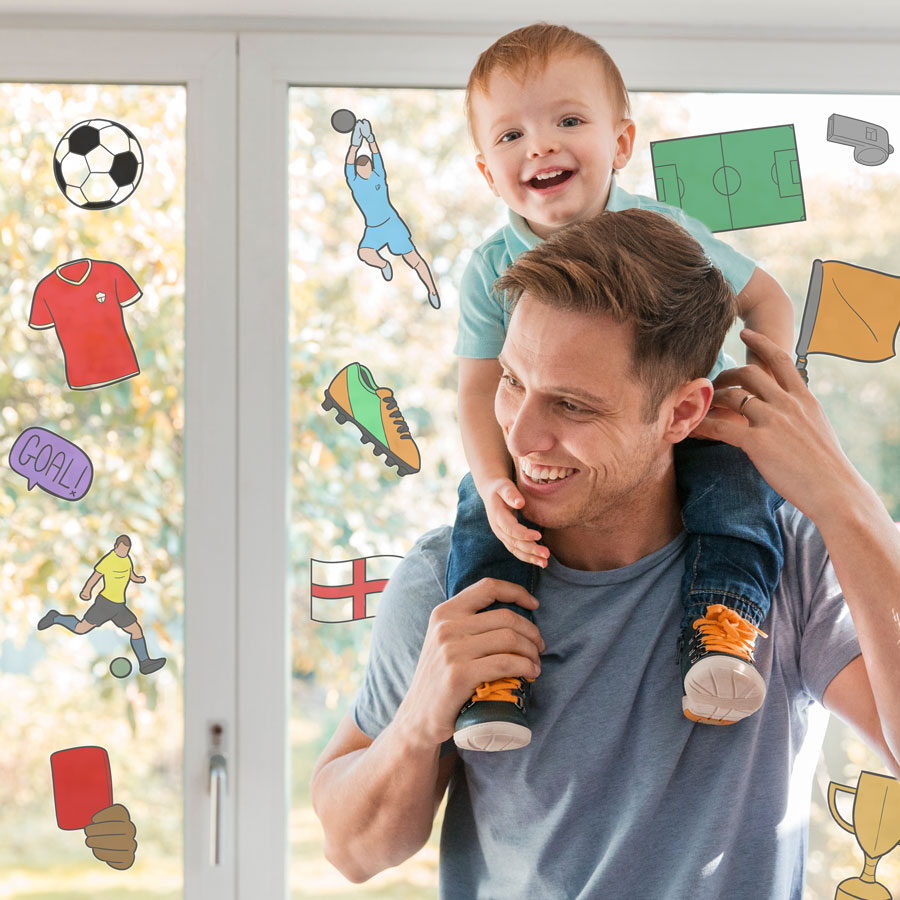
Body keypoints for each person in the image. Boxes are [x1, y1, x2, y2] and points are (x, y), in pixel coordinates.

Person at [310, 210, 900, 899]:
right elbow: (354, 852)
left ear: (683, 413)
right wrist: (418, 718)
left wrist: (846, 501)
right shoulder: (450, 578)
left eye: (572, 406)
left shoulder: (787, 560)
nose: (522, 433)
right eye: (511, 381)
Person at [447, 23, 797, 747]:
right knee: (482, 523)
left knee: (738, 494)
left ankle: (723, 633)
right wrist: (490, 483)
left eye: (568, 121)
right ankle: (493, 674)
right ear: (487, 172)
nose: (539, 145)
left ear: (621, 144)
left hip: (689, 422)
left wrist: (758, 393)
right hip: (560, 456)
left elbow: (769, 300)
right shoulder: (488, 270)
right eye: (511, 135)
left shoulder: (665, 233)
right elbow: (479, 392)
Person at [344, 117, 441, 309]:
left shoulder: (378, 175)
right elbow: (348, 164)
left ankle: (432, 290)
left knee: (415, 260)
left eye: (368, 168)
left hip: (392, 224)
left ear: (372, 168)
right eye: (361, 170)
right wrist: (355, 143)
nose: (366, 171)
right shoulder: (355, 184)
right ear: (357, 171)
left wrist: (370, 138)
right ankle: (383, 265)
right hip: (373, 228)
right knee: (364, 252)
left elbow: (376, 154)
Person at [37, 534, 167, 675]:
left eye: (126, 551)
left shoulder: (127, 559)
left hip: (119, 606)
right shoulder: (108, 560)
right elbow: (95, 576)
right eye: (122, 550)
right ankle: (56, 618)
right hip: (105, 604)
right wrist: (87, 590)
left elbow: (129, 573)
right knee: (81, 628)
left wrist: (137, 578)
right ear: (116, 547)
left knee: (136, 631)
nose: (123, 553)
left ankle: (145, 663)